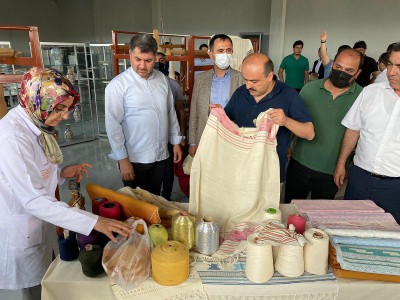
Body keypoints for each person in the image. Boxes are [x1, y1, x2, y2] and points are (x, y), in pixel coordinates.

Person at [0, 67, 131, 299]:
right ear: (37, 101)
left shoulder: (37, 122)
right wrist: (94, 222)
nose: (66, 116)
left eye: (68, 108)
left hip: (40, 222)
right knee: (35, 289)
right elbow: (34, 199)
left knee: (47, 279)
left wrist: (61, 172)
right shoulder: (12, 137)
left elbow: (37, 172)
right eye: (60, 108)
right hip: (23, 225)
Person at [105, 33, 183, 195]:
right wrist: (122, 159)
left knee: (154, 198)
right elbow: (113, 125)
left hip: (161, 154)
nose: (142, 66)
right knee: (136, 205)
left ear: (155, 57)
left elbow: (170, 113)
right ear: (130, 55)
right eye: (137, 59)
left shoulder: (162, 80)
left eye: (148, 60)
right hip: (134, 158)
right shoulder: (118, 86)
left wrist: (175, 142)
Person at [284, 49, 363, 202]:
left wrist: (342, 164)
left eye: (349, 70)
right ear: (332, 64)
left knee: (320, 218)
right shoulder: (310, 89)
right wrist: (287, 145)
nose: (341, 73)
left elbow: (357, 133)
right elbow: (296, 120)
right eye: (338, 67)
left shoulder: (362, 97)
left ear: (358, 73)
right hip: (299, 163)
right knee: (290, 210)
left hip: (332, 170)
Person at [334, 42, 400, 223]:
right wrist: (341, 163)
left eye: (399, 66)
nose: (392, 72)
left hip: (395, 186)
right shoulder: (371, 93)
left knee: (390, 239)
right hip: (360, 178)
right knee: (349, 228)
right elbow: (353, 129)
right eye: (390, 64)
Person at [224, 53, 315, 183]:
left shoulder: (289, 95)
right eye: (245, 79)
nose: (248, 86)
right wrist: (218, 113)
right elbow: (225, 121)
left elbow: (309, 133)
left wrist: (285, 120)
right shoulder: (241, 92)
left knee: (268, 204)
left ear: (270, 76)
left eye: (254, 81)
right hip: (241, 168)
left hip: (270, 172)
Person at [188, 34, 244, 157]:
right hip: (205, 136)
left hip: (232, 137)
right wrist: (192, 143)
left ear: (232, 52)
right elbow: (194, 113)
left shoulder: (241, 79)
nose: (225, 54)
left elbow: (245, 111)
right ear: (211, 54)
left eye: (228, 51)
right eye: (220, 51)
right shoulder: (201, 79)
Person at [154, 54, 187, 200]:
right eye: (154, 60)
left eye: (161, 61)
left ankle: (166, 196)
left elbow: (180, 112)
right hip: (152, 136)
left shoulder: (173, 85)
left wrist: (182, 135)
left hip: (170, 135)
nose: (157, 63)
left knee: (168, 168)